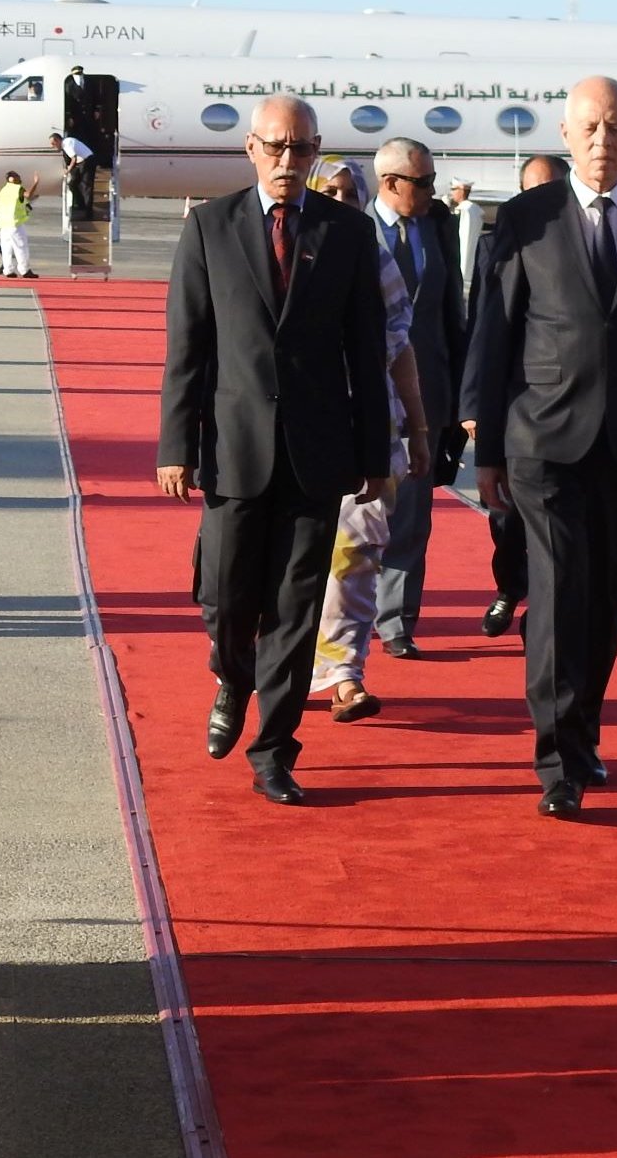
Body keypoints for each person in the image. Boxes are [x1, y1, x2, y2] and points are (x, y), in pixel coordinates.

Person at [468, 76, 617, 818]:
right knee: (558, 590)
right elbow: (495, 329)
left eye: (616, 128)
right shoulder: (525, 218)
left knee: (605, 598)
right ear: (567, 136)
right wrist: (483, 448)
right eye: (590, 128)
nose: (603, 141)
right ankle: (556, 762)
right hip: (542, 439)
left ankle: (583, 729)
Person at [157, 94, 391, 807]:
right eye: (277, 147)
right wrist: (176, 445)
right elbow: (187, 347)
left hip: (318, 454)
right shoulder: (210, 227)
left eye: (302, 148)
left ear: (317, 150)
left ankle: (274, 750)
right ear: (251, 150)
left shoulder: (349, 232)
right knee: (227, 599)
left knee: (295, 611)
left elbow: (367, 350)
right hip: (233, 449)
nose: (290, 161)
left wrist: (376, 454)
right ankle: (232, 674)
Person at [308, 159, 431, 721]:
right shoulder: (284, 251)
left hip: (372, 427)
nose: (340, 201)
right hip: (300, 426)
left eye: (348, 193)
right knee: (291, 557)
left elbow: (401, 348)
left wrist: (419, 428)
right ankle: (276, 664)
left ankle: (345, 674)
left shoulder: (377, 260)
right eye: (329, 191)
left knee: (356, 553)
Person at [460, 154, 566, 638]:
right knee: (505, 518)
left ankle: (542, 612)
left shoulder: (584, 245)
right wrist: (473, 405)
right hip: (508, 405)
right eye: (531, 191)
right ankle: (508, 590)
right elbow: (482, 328)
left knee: (557, 522)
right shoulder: (494, 247)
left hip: (563, 409)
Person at [369, 136, 465, 659]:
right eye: (423, 183)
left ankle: (397, 621)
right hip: (368, 394)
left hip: (428, 396)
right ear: (391, 184)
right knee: (356, 512)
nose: (432, 191)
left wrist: (462, 399)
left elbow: (453, 313)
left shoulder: (438, 227)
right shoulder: (353, 230)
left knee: (412, 515)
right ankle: (342, 615)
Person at [448, 176, 483, 307]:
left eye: (453, 189)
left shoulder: (464, 211)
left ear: (461, 191)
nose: (451, 193)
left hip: (463, 264)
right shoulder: (474, 210)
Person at [0, 169, 36, 278]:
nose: (20, 179)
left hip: (3, 225)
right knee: (21, 247)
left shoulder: (3, 190)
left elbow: (20, 202)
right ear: (13, 179)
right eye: (18, 177)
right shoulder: (17, 188)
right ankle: (25, 270)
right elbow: (28, 195)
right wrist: (36, 183)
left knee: (6, 249)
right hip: (14, 224)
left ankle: (8, 270)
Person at [51, 129, 96, 220]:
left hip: (87, 161)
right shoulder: (67, 142)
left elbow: (73, 159)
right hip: (82, 162)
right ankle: (81, 205)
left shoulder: (66, 144)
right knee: (72, 184)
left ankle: (88, 214)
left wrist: (68, 170)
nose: (52, 146)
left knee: (86, 187)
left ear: (57, 140)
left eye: (53, 144)